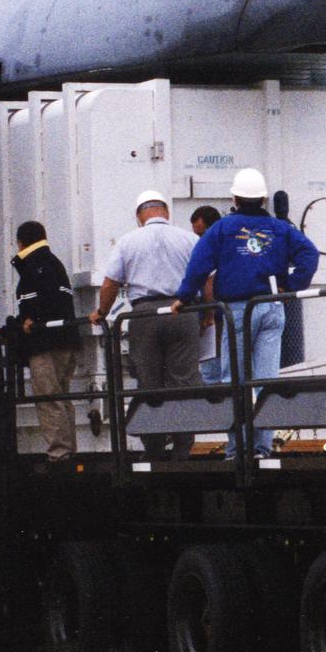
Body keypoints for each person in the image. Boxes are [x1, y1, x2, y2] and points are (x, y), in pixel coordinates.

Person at [173, 168, 319, 458]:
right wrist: (290, 286)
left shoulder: (223, 229)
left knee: (234, 380)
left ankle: (237, 448)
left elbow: (199, 265)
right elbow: (310, 254)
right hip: (271, 307)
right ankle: (262, 448)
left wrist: (184, 297)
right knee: (266, 380)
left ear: (235, 198)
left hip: (237, 311)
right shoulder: (280, 228)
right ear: (264, 198)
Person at [91, 190, 201, 460]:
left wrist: (101, 312)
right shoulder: (189, 239)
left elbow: (110, 284)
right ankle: (183, 448)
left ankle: (153, 449)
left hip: (144, 315)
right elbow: (207, 278)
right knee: (183, 382)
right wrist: (208, 316)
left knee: (148, 382)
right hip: (183, 310)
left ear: (139, 216)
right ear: (166, 212)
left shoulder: (128, 242)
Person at [11, 220, 81, 462]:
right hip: (67, 338)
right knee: (61, 395)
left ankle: (59, 452)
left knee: (47, 397)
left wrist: (29, 320)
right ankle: (69, 449)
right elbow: (59, 299)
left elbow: (42, 300)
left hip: (44, 342)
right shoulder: (54, 262)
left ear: (21, 242)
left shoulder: (33, 265)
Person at [188, 205, 223, 384]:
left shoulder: (217, 249)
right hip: (215, 309)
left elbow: (209, 283)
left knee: (212, 367)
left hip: (217, 311)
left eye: (201, 235)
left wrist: (209, 316)